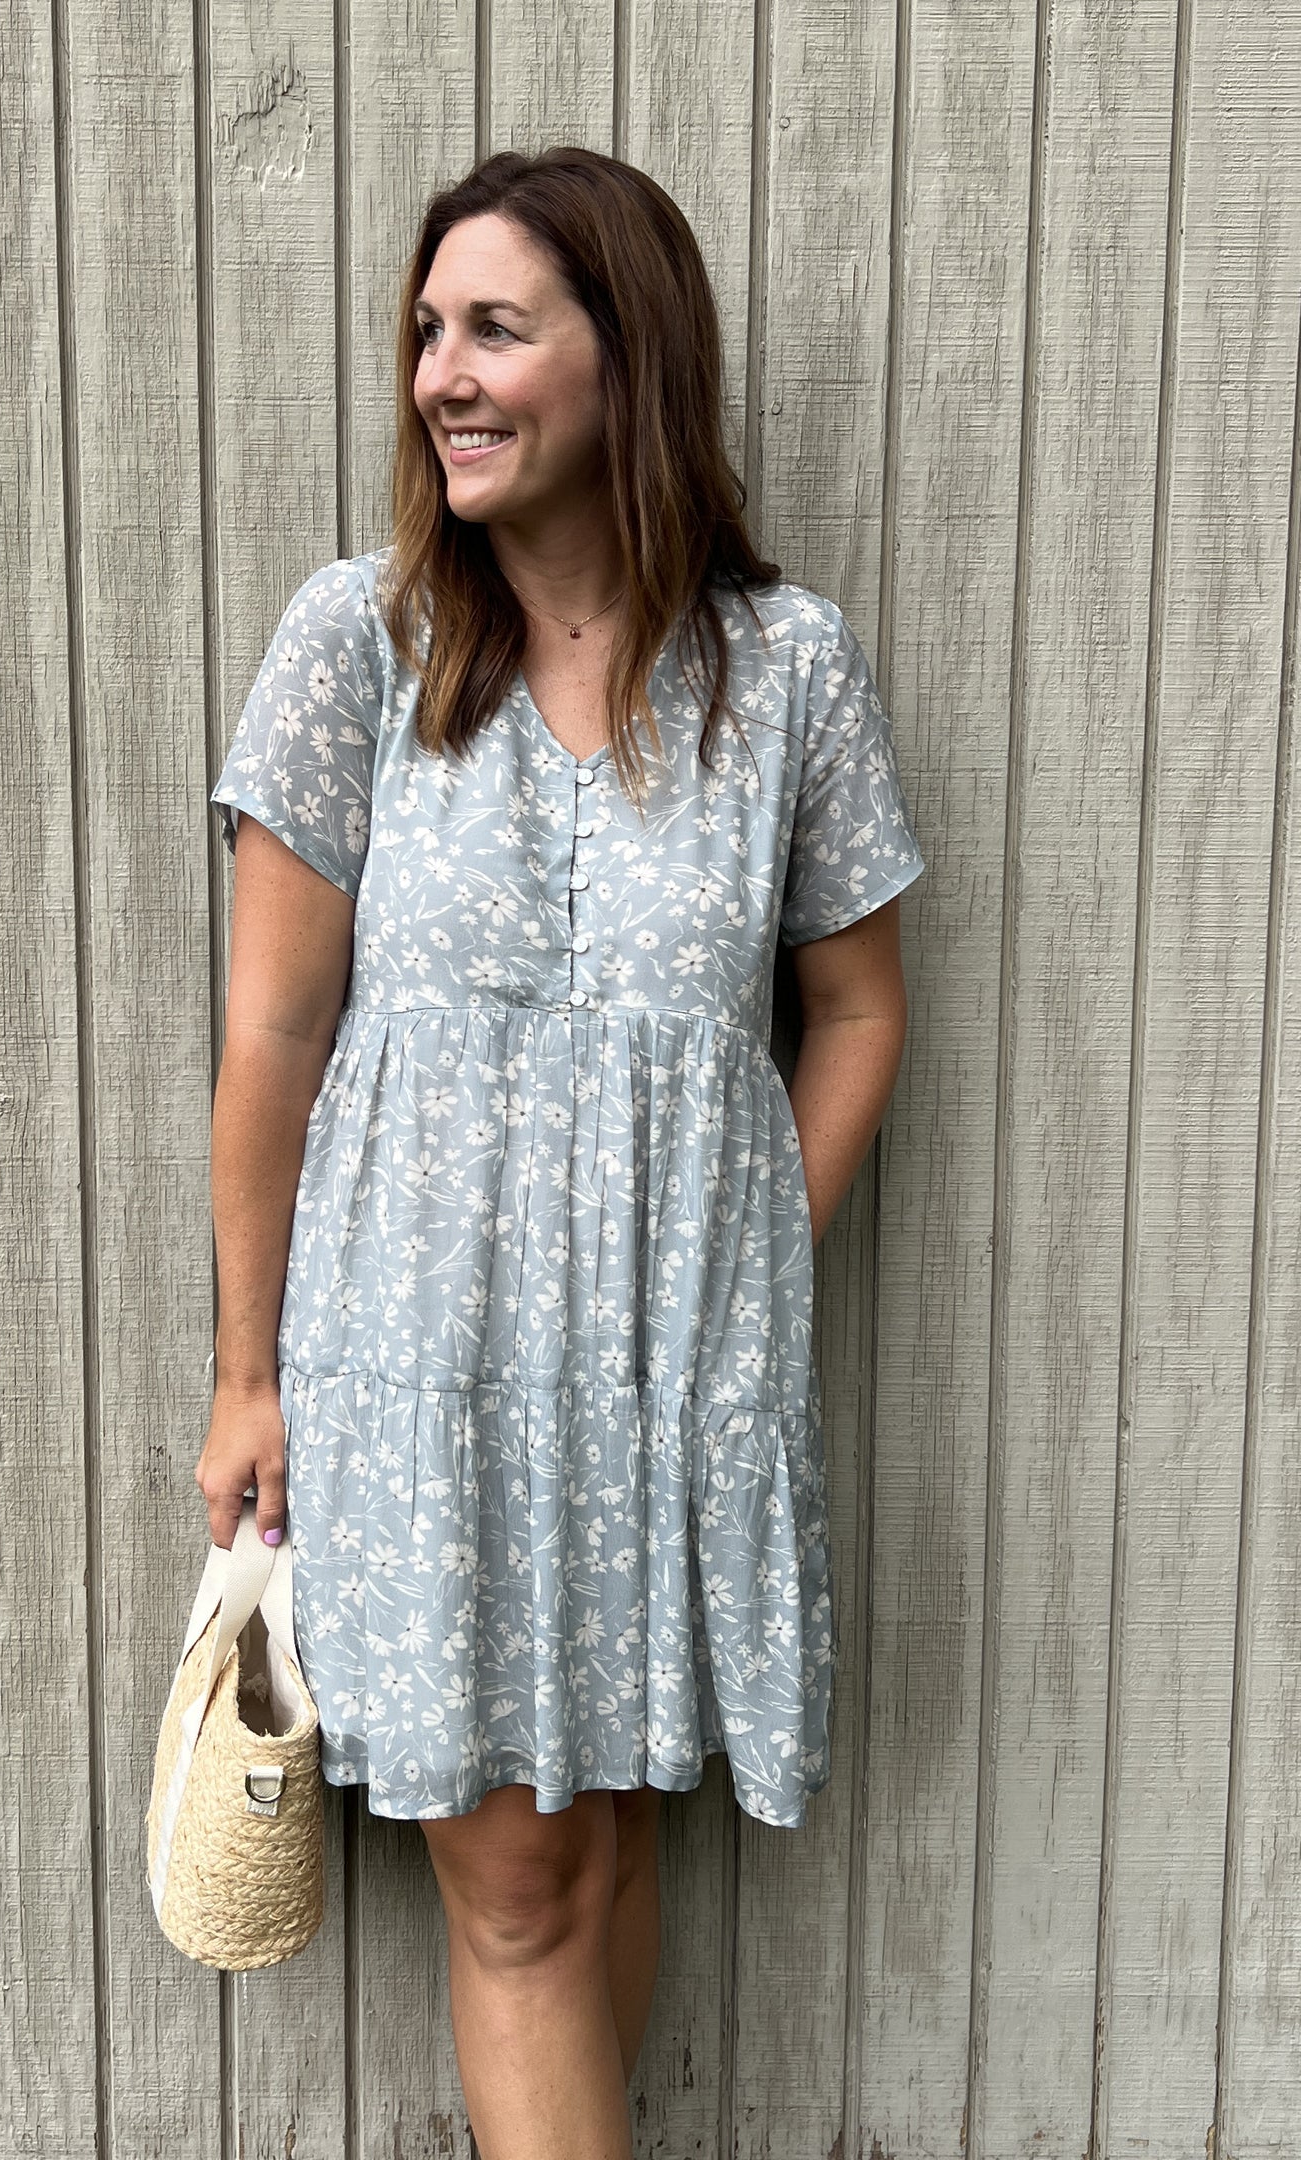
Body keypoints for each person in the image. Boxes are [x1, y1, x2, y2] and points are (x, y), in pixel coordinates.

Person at [196, 144, 924, 2160]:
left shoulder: (787, 675)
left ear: (634, 357)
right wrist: (251, 1373)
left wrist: (753, 1254)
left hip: (671, 1372)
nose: (441, 370)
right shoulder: (363, 641)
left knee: (600, 1846)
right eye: (427, 331)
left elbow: (858, 1011)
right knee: (518, 1885)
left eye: (496, 326)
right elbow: (272, 1029)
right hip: (414, 1361)